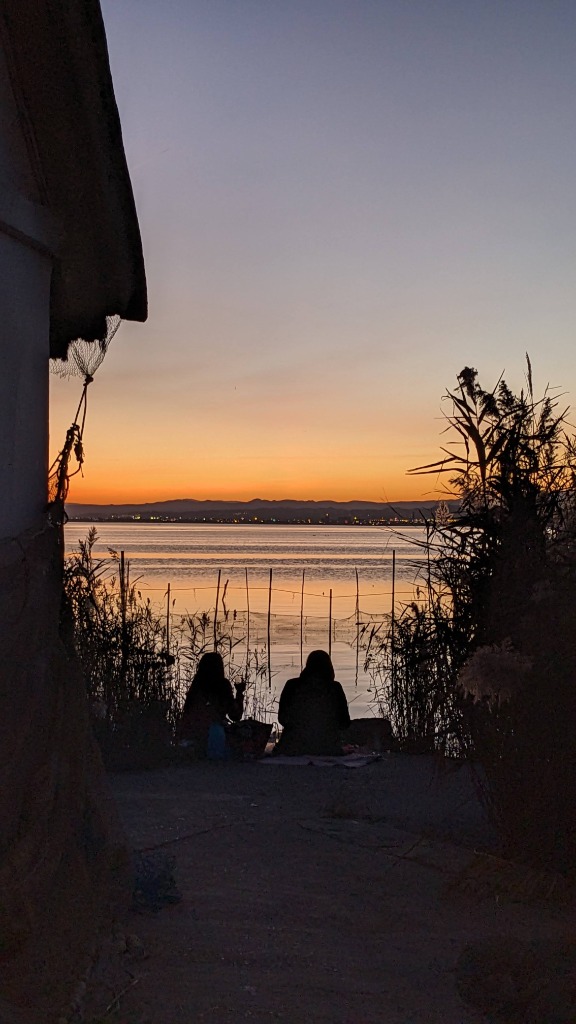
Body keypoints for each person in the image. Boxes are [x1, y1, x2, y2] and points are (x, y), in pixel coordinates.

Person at [275, 650, 350, 756]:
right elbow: (344, 723)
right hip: (327, 747)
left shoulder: (291, 685)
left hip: (293, 746)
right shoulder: (335, 688)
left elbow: (282, 718)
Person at [178, 652, 245, 758]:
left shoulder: (196, 686)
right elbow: (235, 716)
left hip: (191, 732)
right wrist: (240, 693)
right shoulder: (222, 685)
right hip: (212, 733)